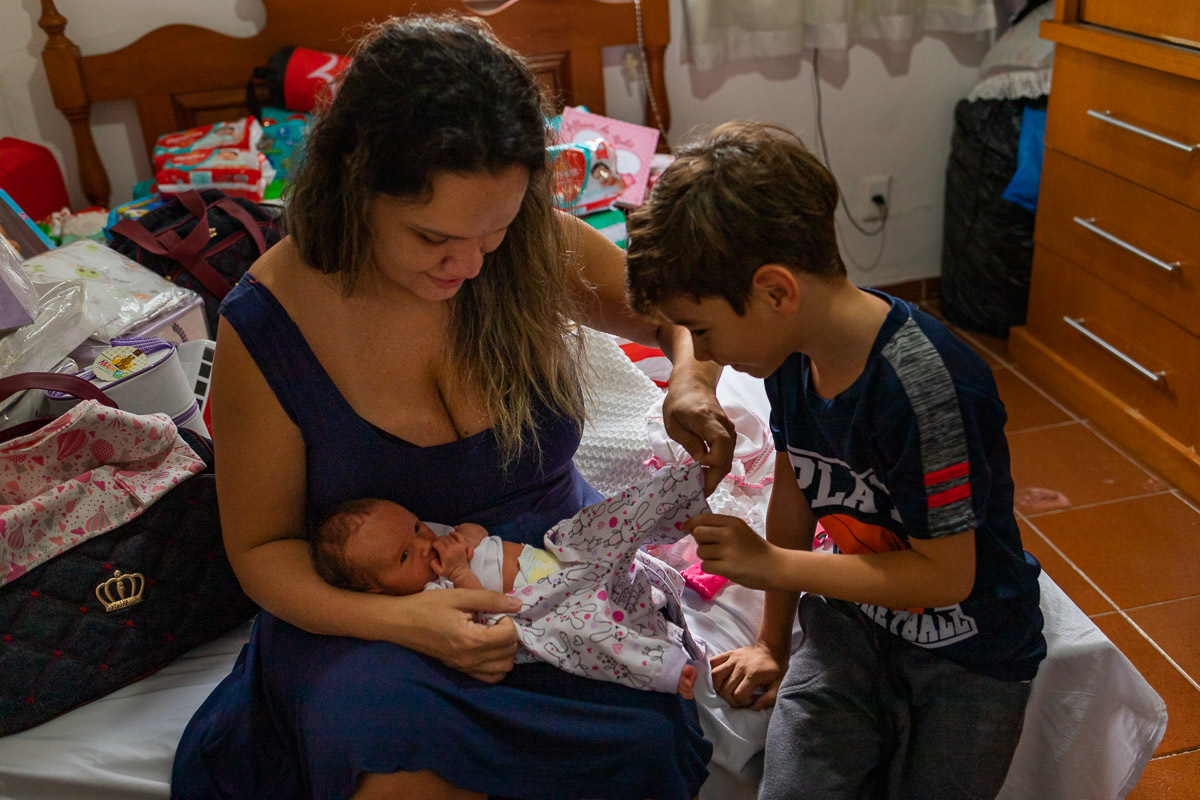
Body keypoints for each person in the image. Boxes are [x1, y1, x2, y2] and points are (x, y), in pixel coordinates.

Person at [170, 14, 734, 800]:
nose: (468, 263)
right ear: (354, 186)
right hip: (374, 616)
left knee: (633, 741)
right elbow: (262, 550)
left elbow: (684, 314)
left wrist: (688, 382)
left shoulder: (530, 244)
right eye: (433, 236)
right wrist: (407, 624)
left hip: (552, 577)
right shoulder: (270, 326)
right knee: (393, 753)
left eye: (493, 230)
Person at [624, 121, 1046, 800]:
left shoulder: (925, 387)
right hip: (847, 630)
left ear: (775, 292)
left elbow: (946, 576)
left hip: (969, 658)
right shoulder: (793, 359)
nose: (701, 355)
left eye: (702, 329)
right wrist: (773, 643)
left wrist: (770, 564)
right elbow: (795, 489)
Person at [311, 464, 710, 699]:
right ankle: (664, 669)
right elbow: (485, 614)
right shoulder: (428, 598)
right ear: (378, 590)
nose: (422, 543)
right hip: (547, 605)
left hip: (562, 558)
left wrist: (467, 535)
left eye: (415, 527)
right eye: (403, 556)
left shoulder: (431, 538)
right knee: (584, 638)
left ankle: (681, 489)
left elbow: (478, 533)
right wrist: (459, 573)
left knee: (604, 523)